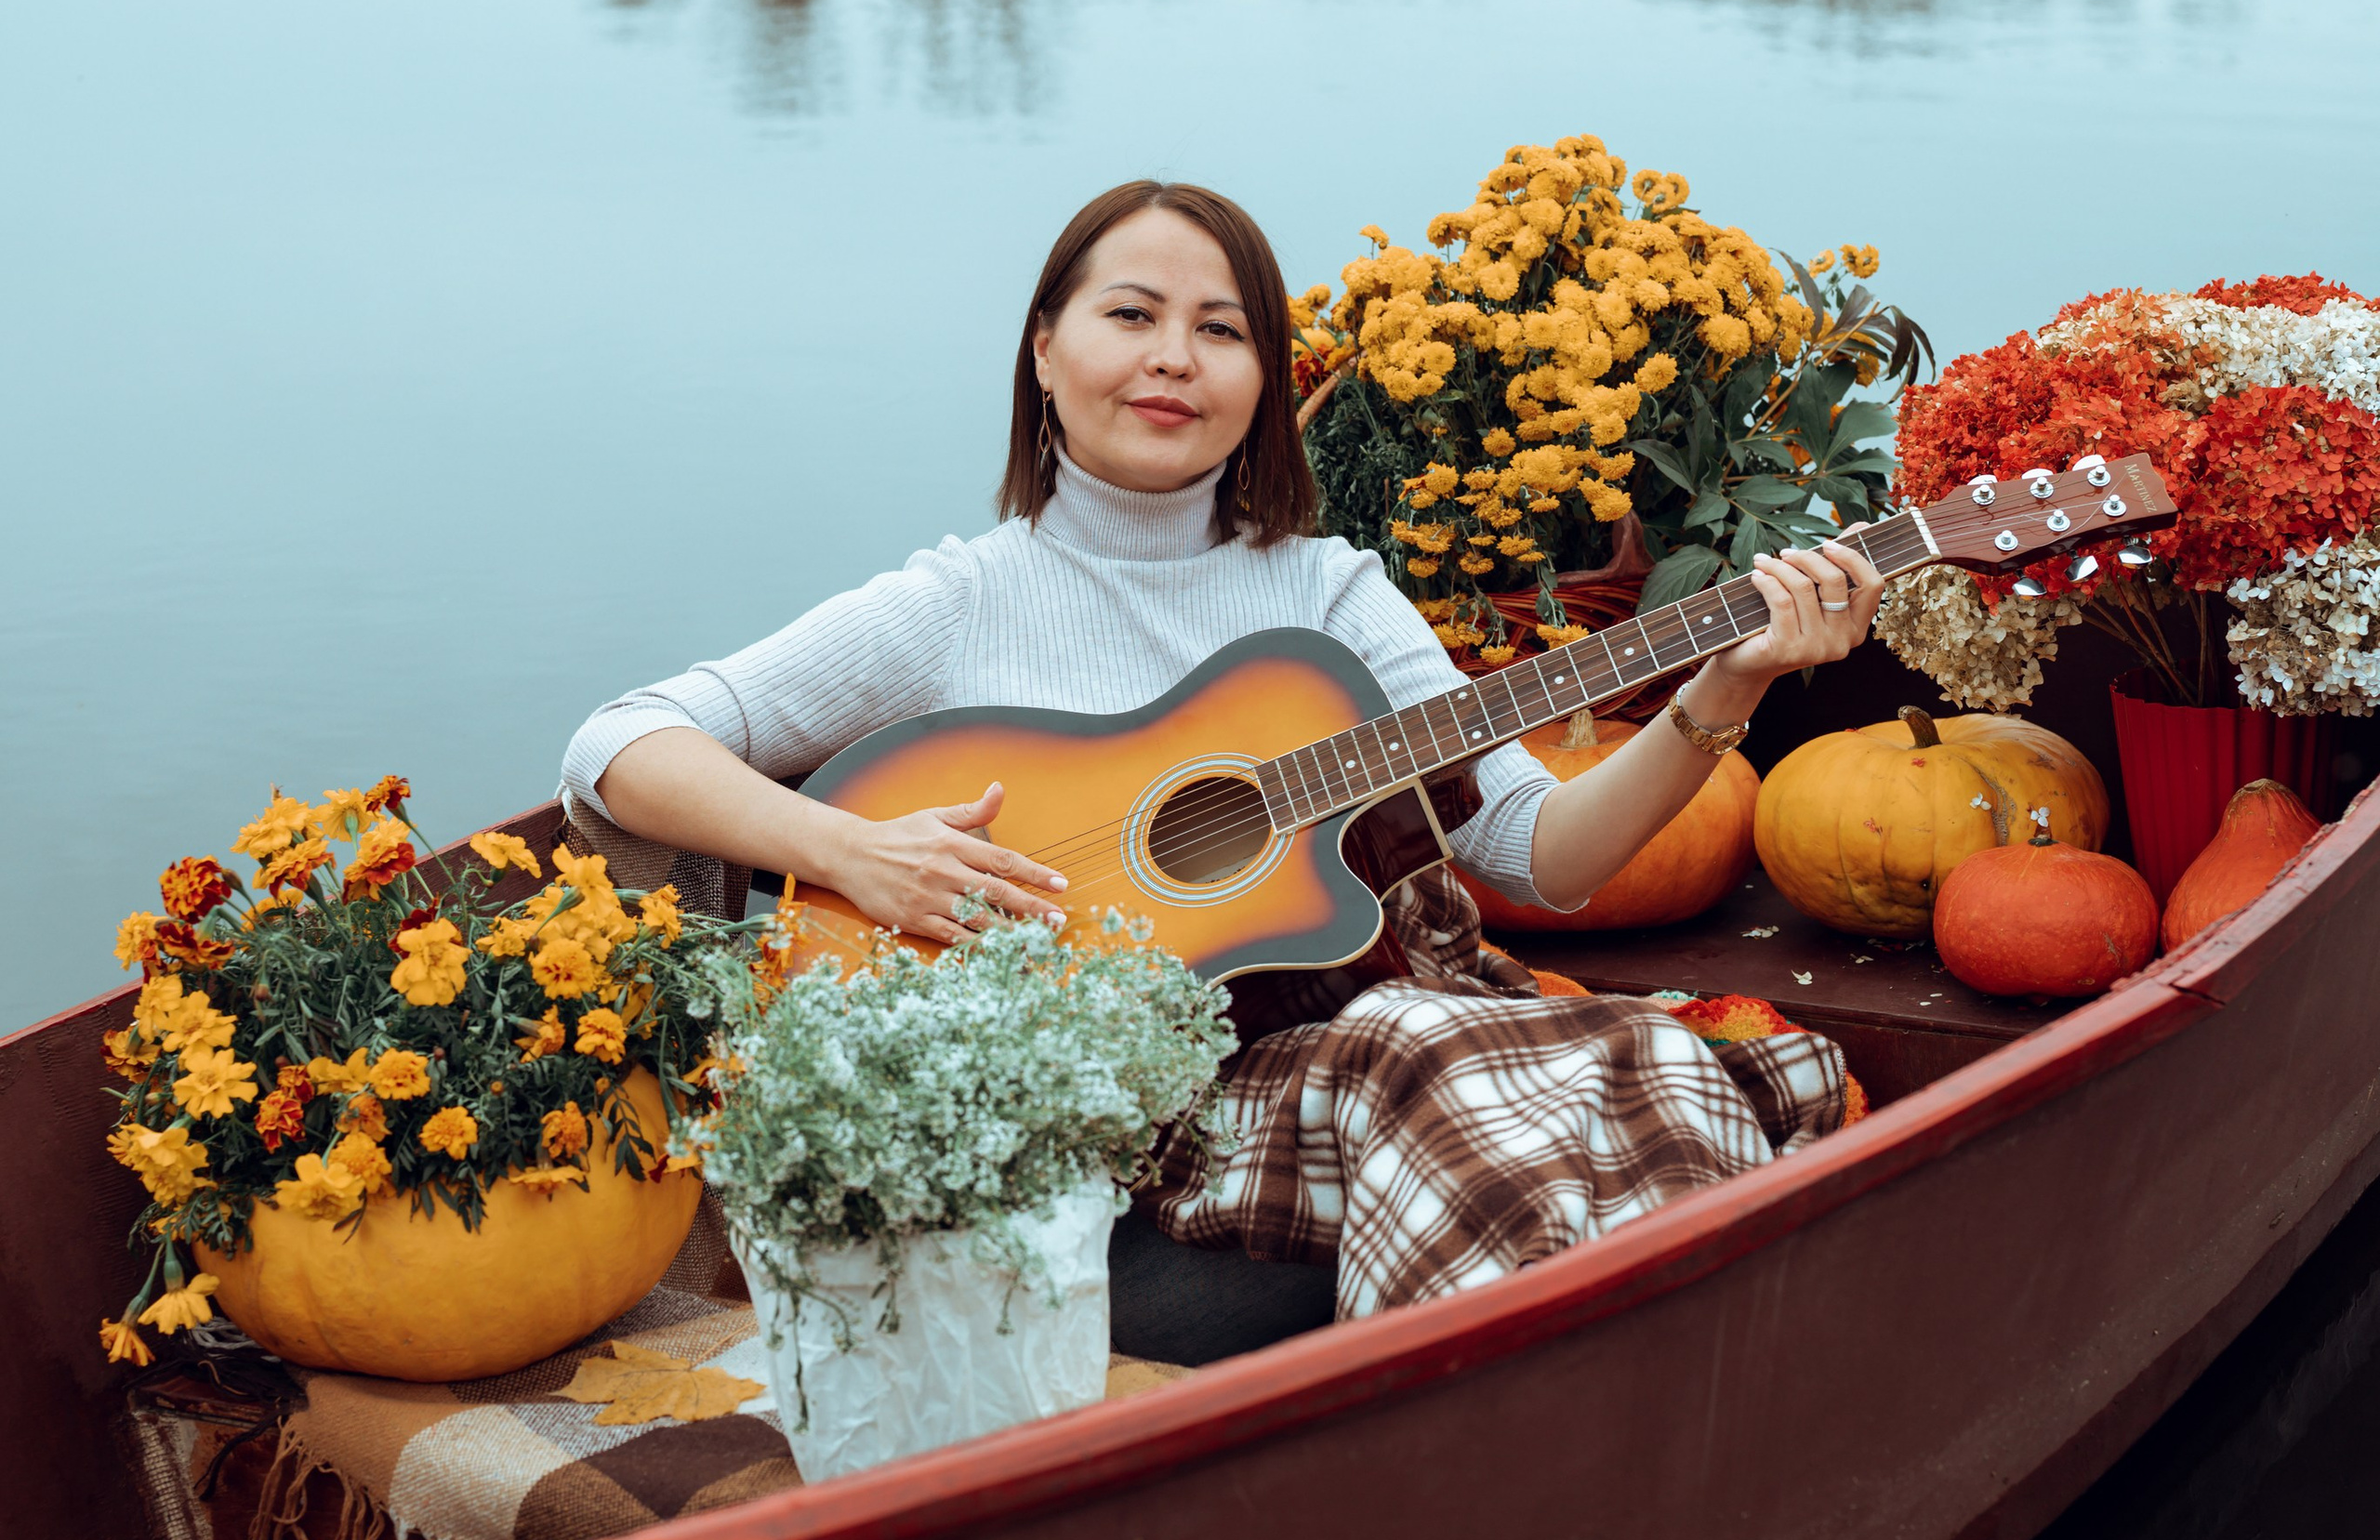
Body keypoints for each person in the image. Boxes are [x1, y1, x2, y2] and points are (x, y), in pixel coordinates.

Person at [563, 178, 1884, 1324]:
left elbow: (1544, 862)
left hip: (1339, 1035)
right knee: (1442, 1052)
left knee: (1641, 1058)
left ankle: (1586, 1423)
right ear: (1042, 349)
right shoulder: (960, 602)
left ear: (1265, 383)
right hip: (1106, 1109)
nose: (1174, 360)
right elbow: (618, 745)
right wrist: (854, 849)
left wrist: (1729, 685)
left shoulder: (1327, 594)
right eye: (1130, 316)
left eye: (1221, 330)